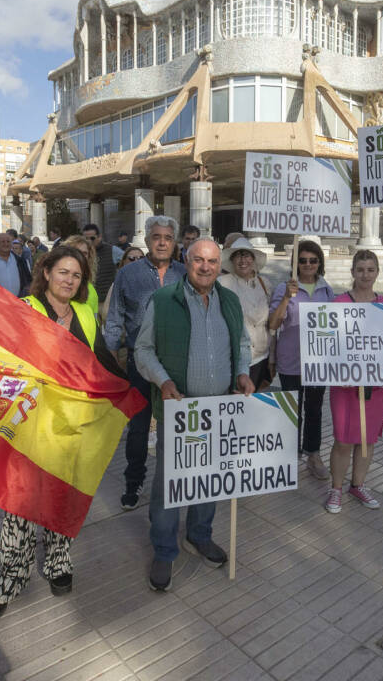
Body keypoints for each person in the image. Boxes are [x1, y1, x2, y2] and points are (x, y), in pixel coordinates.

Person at [0, 245, 127, 623]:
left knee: (63, 495)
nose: (69, 280)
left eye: (76, 275)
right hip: (28, 425)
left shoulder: (83, 312)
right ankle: (10, 577)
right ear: (46, 272)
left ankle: (58, 560)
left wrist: (131, 388)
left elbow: (100, 359)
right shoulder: (24, 308)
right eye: (63, 272)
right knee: (21, 504)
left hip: (71, 424)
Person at [135, 238, 254, 591]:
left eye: (213, 261)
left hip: (219, 410)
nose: (206, 267)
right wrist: (163, 380)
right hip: (180, 410)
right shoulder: (162, 300)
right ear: (185, 262)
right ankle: (164, 549)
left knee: (210, 478)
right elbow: (143, 350)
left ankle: (200, 535)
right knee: (170, 484)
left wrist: (244, 372)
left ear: (221, 265)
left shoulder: (230, 301)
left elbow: (243, 344)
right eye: (199, 260)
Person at [103, 216, 186, 510]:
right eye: (156, 236)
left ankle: (176, 482)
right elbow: (114, 321)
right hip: (139, 366)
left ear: (174, 242)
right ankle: (133, 481)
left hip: (176, 367)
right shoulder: (129, 274)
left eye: (167, 237)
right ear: (148, 240)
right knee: (138, 429)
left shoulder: (185, 274)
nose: (162, 242)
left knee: (175, 429)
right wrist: (113, 363)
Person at [322, 250, 383, 513]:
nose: (365, 274)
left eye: (370, 269)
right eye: (360, 269)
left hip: (376, 385)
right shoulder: (339, 303)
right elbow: (328, 344)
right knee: (343, 439)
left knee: (367, 439)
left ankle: (358, 485)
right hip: (345, 385)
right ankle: (336, 489)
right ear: (352, 272)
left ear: (377, 273)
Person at [268, 239, 334, 480]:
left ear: (319, 263)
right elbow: (273, 324)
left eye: (313, 260)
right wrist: (286, 297)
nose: (308, 264)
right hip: (291, 360)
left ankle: (313, 454)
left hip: (318, 362)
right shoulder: (282, 289)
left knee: (314, 410)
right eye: (303, 260)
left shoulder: (327, 290)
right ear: (296, 263)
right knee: (292, 410)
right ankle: (288, 455)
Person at [217, 237, 274, 389]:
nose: (243, 260)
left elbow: (271, 325)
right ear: (232, 260)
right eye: (238, 255)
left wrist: (272, 359)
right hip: (237, 359)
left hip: (262, 358)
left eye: (246, 255)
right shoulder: (223, 283)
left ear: (253, 259)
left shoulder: (265, 284)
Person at [61, 235, 99, 313]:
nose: (80, 256)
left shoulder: (91, 289)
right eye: (76, 251)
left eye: (84, 253)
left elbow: (94, 319)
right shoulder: (59, 282)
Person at [82, 223, 115, 301]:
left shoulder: (112, 250)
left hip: (105, 300)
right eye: (86, 238)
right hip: (86, 300)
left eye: (92, 238)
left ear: (99, 237)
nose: (89, 241)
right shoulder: (80, 252)